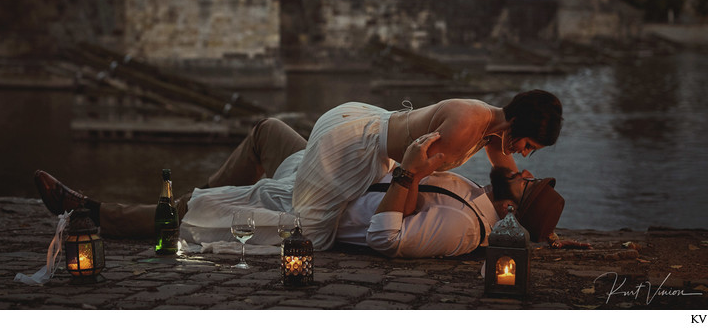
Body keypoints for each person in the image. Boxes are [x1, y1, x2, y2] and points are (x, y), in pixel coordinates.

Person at [35, 90, 564, 255]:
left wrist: (547, 228)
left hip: (359, 136)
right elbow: (408, 176)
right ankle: (113, 215)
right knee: (295, 232)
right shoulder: (467, 124)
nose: (525, 154)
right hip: (354, 151)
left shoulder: (493, 133)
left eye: (531, 150)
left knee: (268, 194)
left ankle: (106, 210)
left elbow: (510, 178)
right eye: (530, 142)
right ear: (516, 121)